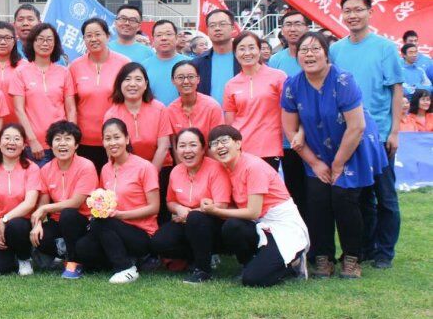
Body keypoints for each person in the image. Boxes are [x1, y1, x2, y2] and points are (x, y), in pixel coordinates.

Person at [281, 31, 388, 279]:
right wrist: (315, 163)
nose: (309, 54)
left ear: (326, 54)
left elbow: (357, 126)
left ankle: (352, 258)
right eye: (304, 50)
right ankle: (323, 257)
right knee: (317, 199)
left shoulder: (343, 80)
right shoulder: (293, 85)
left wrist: (338, 164)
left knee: (344, 198)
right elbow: (290, 129)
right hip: (316, 150)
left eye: (315, 49)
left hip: (351, 147)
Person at [329, 0, 404, 270]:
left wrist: (394, 132)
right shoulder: (336, 50)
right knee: (359, 198)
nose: (353, 15)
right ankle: (365, 247)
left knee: (386, 197)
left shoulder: (385, 48)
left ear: (370, 12)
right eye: (347, 10)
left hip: (379, 135)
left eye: (358, 10)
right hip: (350, 136)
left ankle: (385, 252)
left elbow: (396, 91)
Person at [201, 125, 309, 288]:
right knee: (232, 226)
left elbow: (253, 212)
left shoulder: (253, 166)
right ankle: (249, 264)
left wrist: (216, 210)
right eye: (214, 144)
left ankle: (293, 263)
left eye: (224, 141)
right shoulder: (225, 168)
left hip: (282, 227)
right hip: (259, 224)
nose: (220, 146)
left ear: (238, 143)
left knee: (253, 280)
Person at [72, 118, 159, 284]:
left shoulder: (145, 167)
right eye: (108, 138)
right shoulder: (106, 169)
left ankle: (125, 268)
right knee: (83, 248)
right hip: (112, 228)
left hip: (141, 233)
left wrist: (120, 215)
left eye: (117, 137)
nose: (112, 142)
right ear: (103, 142)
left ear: (127, 139)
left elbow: (154, 207)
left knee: (102, 222)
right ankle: (127, 259)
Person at [149, 127, 231, 284]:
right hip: (185, 221)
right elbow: (170, 202)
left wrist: (191, 213)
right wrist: (179, 208)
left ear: (203, 148)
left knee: (196, 219)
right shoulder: (176, 171)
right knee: (158, 242)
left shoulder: (216, 168)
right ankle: (197, 256)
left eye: (193, 145)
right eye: (182, 146)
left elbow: (222, 205)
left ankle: (203, 270)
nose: (187, 150)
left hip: (212, 222)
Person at [29, 120, 98, 279]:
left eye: (68, 139)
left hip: (83, 221)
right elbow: (43, 203)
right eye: (57, 139)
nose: (62, 143)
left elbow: (76, 203)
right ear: (51, 145)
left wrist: (45, 209)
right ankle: (67, 252)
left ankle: (74, 262)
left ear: (76, 145)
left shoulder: (86, 166)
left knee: (68, 214)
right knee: (40, 237)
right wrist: (37, 224)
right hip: (58, 221)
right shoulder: (46, 169)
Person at [0, 124, 41, 276]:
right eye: (7, 138)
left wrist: (5, 219)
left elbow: (30, 203)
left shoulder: (32, 168)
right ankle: (12, 257)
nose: (11, 142)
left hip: (22, 225)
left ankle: (24, 258)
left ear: (24, 144)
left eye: (17, 139)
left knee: (15, 225)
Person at [69, 18, 130, 170]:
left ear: (108, 36)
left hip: (116, 140)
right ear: (83, 39)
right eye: (88, 36)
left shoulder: (124, 63)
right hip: (84, 140)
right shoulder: (74, 66)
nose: (93, 39)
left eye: (98, 34)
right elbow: (70, 105)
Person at [10, 23, 76, 163]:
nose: (45, 43)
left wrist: (72, 139)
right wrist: (32, 140)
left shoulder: (64, 72)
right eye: (40, 39)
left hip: (61, 143)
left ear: (55, 44)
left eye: (49, 39)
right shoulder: (21, 72)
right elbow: (19, 109)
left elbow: (71, 109)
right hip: (34, 145)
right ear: (32, 42)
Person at [222, 32, 288, 169]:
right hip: (241, 149)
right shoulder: (231, 84)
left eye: (252, 47)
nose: (247, 53)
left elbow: (288, 112)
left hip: (269, 147)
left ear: (259, 50)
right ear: (235, 53)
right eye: (241, 49)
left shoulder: (278, 77)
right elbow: (230, 123)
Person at [267, 10, 310, 214]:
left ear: (307, 28)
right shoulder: (276, 61)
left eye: (298, 24)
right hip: (287, 140)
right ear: (282, 30)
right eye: (288, 25)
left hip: (315, 136)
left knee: (317, 192)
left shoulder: (315, 57)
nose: (293, 29)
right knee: (294, 191)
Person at [104, 63, 173, 171]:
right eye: (127, 79)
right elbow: (111, 150)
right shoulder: (112, 114)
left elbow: (163, 146)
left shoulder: (160, 109)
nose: (132, 84)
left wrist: (150, 175)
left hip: (159, 168)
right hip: (126, 171)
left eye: (138, 79)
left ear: (145, 84)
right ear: (120, 84)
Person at [165, 61, 224, 138]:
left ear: (198, 79)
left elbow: (218, 139)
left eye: (191, 77)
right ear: (173, 81)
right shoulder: (170, 111)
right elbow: (172, 142)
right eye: (180, 77)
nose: (186, 81)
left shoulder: (212, 107)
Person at [193, 9, 240, 102]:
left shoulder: (244, 60)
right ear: (207, 30)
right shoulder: (197, 63)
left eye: (222, 24)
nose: (217, 28)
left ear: (233, 28)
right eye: (212, 25)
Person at [141, 20, 191, 105]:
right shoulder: (143, 67)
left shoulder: (191, 64)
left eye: (168, 34)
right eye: (159, 35)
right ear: (153, 39)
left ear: (176, 38)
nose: (164, 38)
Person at [0, 21, 23, 125]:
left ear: (14, 41)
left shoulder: (24, 66)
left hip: (18, 126)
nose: (3, 42)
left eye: (7, 38)